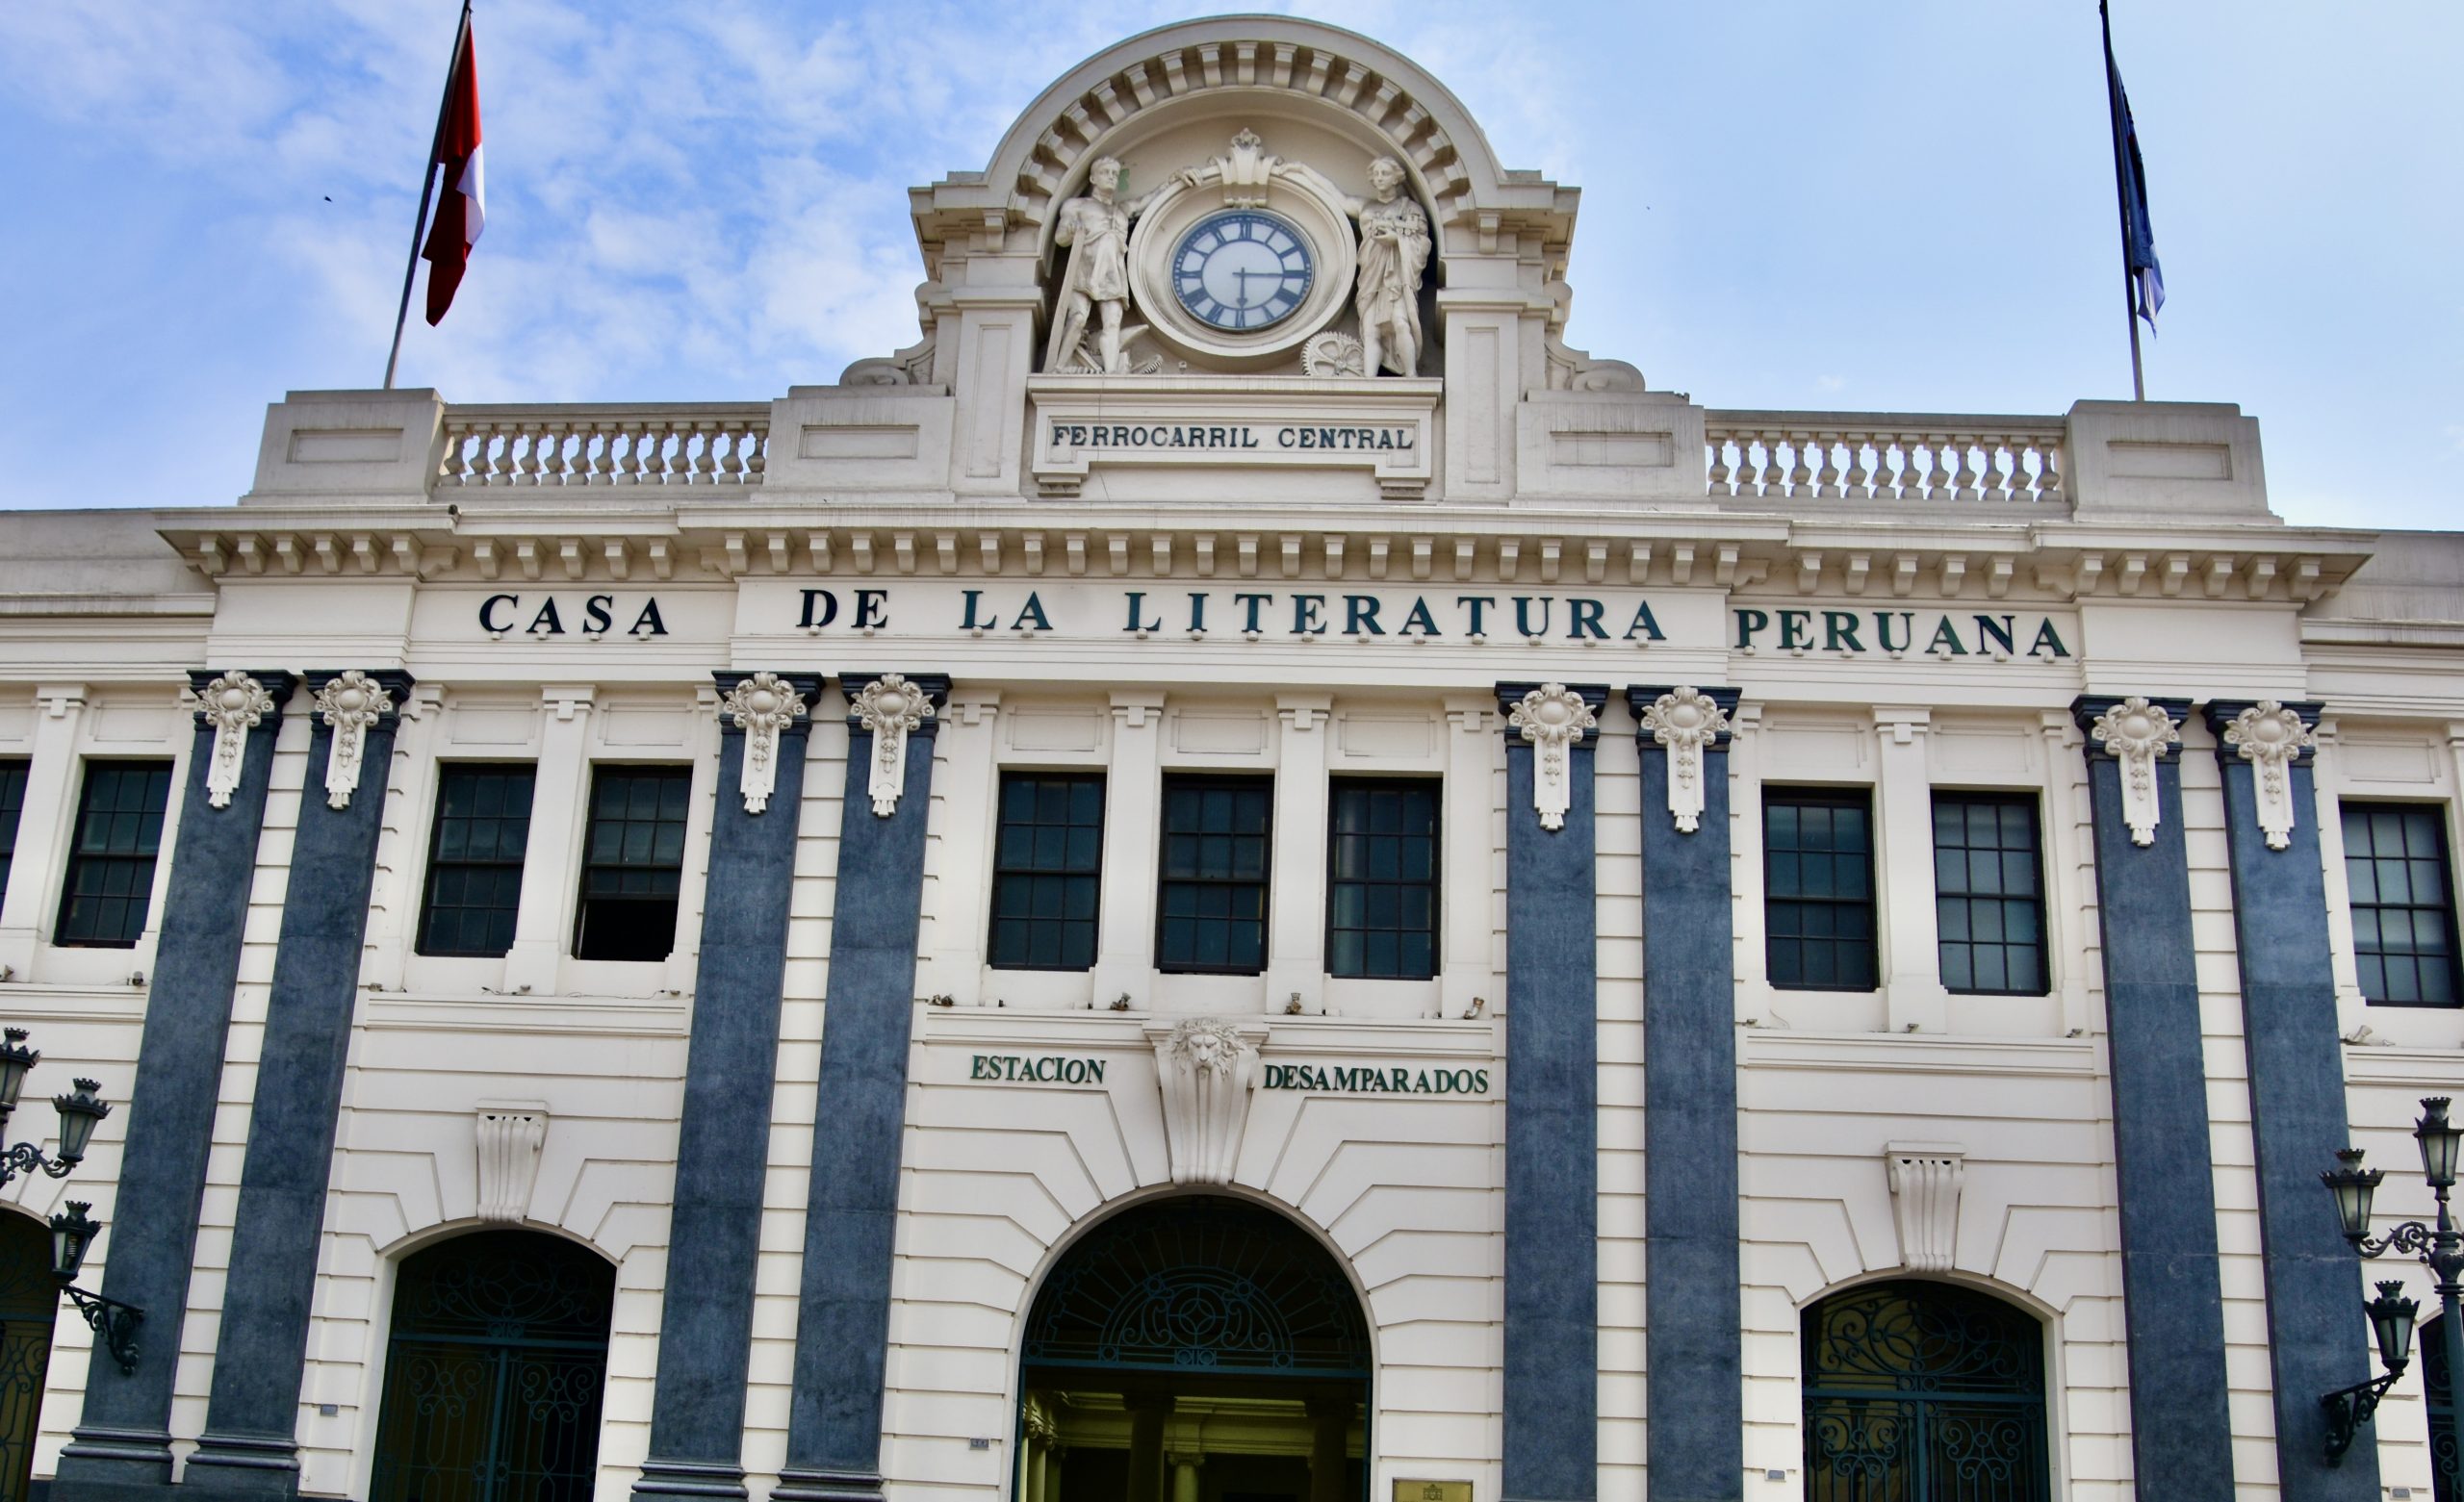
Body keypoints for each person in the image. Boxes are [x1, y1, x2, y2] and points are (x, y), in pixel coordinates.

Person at [1045, 157, 1179, 374]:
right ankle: (1059, 366)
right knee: (1078, 319)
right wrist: (1070, 229)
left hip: (1112, 275)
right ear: (1092, 178)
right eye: (1106, 172)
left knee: (1112, 324)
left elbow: (1148, 199)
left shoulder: (1122, 210)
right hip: (1083, 271)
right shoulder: (1077, 206)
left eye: (1115, 174)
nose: (1111, 177)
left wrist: (1173, 181)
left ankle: (1110, 374)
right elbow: (1061, 237)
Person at [1350, 156, 1430, 377]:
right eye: (1375, 174)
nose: (1379, 178)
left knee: (1400, 321)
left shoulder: (1410, 209)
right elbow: (1335, 196)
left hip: (1396, 274)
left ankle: (1411, 375)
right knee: (1371, 330)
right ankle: (1369, 379)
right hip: (1370, 275)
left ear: (1396, 178)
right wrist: (1299, 171)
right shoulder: (1366, 206)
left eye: (1384, 173)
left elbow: (1422, 242)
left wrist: (1397, 240)